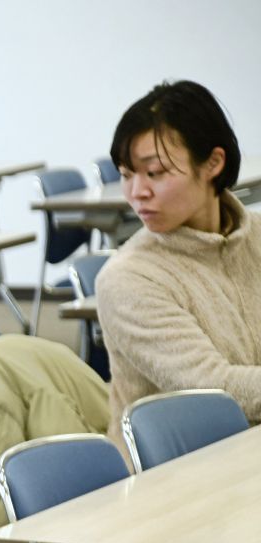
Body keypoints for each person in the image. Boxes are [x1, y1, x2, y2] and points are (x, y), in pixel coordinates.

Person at [96, 79, 261, 441]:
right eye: (126, 175)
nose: (137, 192)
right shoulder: (128, 279)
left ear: (213, 163)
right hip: (182, 465)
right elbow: (215, 390)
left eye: (155, 173)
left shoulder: (257, 237)